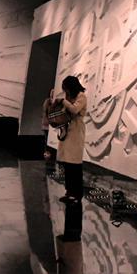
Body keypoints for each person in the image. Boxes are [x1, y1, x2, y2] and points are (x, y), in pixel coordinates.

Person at [56, 75, 88, 203]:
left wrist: (63, 102)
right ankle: (69, 192)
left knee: (75, 165)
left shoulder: (81, 96)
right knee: (67, 164)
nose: (66, 92)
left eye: (66, 89)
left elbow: (74, 110)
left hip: (76, 131)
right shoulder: (69, 98)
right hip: (68, 131)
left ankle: (77, 194)